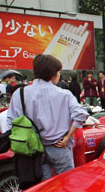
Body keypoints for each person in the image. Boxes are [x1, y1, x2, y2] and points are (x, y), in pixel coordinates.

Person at [5, 54, 89, 182]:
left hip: (34, 150)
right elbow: (81, 114)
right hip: (60, 147)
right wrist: (67, 137)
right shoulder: (64, 94)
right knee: (67, 183)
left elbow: (11, 122)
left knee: (45, 188)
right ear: (54, 73)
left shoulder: (20, 93)